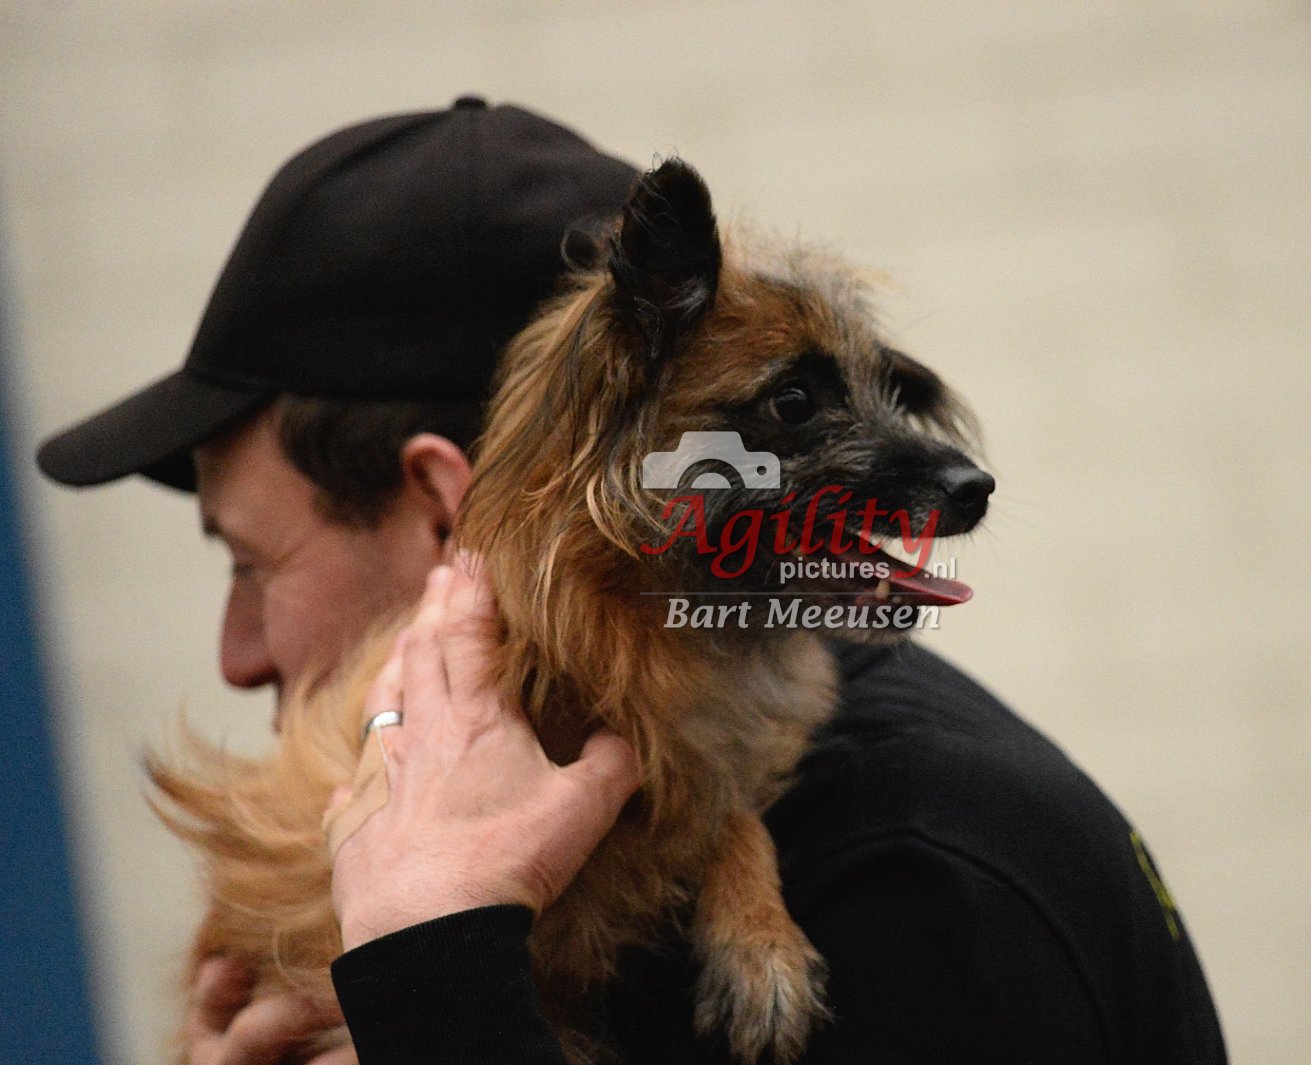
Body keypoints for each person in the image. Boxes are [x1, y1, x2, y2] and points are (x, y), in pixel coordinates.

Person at [38, 97, 1228, 1064]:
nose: (237, 654)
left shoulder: (893, 882)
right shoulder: (771, 794)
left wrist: (432, 986)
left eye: (254, 565)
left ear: (450, 512)